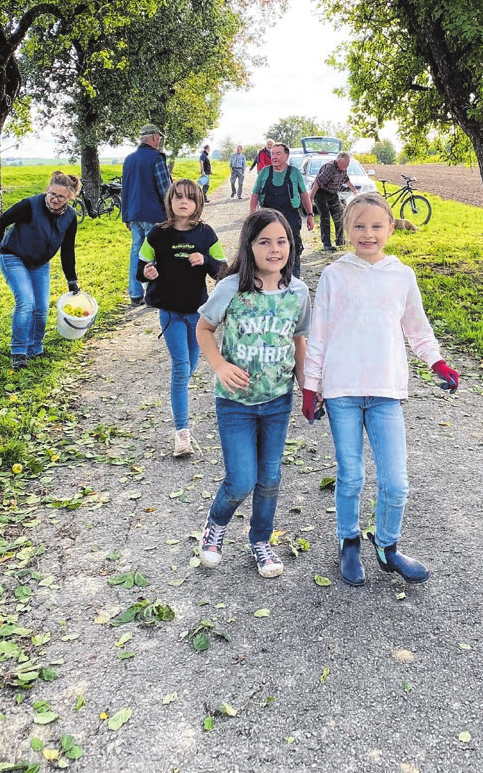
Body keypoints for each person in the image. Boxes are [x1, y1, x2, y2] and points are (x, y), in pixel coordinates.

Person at [302, 193, 459, 587]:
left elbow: (417, 329)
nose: (367, 234)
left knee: (396, 480)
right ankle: (348, 539)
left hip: (386, 391)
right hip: (342, 391)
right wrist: (310, 386)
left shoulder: (401, 275)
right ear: (346, 230)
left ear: (391, 228)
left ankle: (387, 546)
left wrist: (436, 362)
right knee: (351, 475)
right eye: (358, 226)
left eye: (376, 226)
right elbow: (317, 334)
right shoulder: (336, 275)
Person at [196, 209, 311, 578]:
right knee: (242, 479)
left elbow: (298, 340)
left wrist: (307, 385)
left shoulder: (298, 291)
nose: (274, 249)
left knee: (270, 477)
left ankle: (260, 540)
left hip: (278, 401)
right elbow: (203, 328)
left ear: (291, 246)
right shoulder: (231, 288)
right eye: (265, 241)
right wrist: (219, 365)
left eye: (282, 241)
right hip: (235, 404)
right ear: (249, 245)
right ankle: (215, 526)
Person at [137, 179, 227, 458]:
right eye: (178, 197)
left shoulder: (206, 234)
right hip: (170, 311)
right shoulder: (157, 234)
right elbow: (140, 268)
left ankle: (179, 394)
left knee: (189, 366)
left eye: (189, 197)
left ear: (198, 202)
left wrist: (206, 261)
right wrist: (146, 273)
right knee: (180, 366)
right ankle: (182, 434)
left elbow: (223, 271)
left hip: (199, 315)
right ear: (170, 202)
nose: (183, 202)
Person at [0, 171, 83, 369]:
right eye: (52, 194)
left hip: (39, 263)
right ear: (47, 190)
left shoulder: (70, 217)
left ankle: (34, 347)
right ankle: (19, 351)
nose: (55, 199)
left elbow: (67, 250)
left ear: (69, 198)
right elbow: (4, 219)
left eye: (61, 196)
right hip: (13, 256)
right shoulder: (30, 205)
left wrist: (72, 279)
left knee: (41, 308)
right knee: (26, 303)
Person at [121, 124, 171, 305]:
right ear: (154, 137)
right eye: (159, 137)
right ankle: (153, 293)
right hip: (153, 214)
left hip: (134, 213)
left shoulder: (129, 159)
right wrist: (172, 213)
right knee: (154, 254)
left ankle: (135, 293)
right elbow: (165, 189)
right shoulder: (156, 158)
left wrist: (125, 215)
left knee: (136, 252)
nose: (159, 141)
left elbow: (124, 189)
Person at [250, 142, 315, 278]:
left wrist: (310, 214)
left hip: (290, 217)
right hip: (267, 218)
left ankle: (293, 281)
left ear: (287, 156)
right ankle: (269, 279)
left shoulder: (294, 173)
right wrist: (253, 215)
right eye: (272, 154)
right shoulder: (264, 173)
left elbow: (304, 194)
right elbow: (255, 194)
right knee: (268, 249)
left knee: (293, 249)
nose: (274, 157)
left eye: (278, 154)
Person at [312, 152, 357, 252]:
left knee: (340, 215)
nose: (348, 165)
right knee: (325, 217)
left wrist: (355, 191)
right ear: (340, 161)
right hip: (320, 192)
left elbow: (347, 180)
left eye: (349, 163)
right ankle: (326, 244)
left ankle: (340, 241)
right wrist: (311, 197)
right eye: (346, 163)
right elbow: (317, 183)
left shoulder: (343, 169)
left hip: (332, 193)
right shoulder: (330, 168)